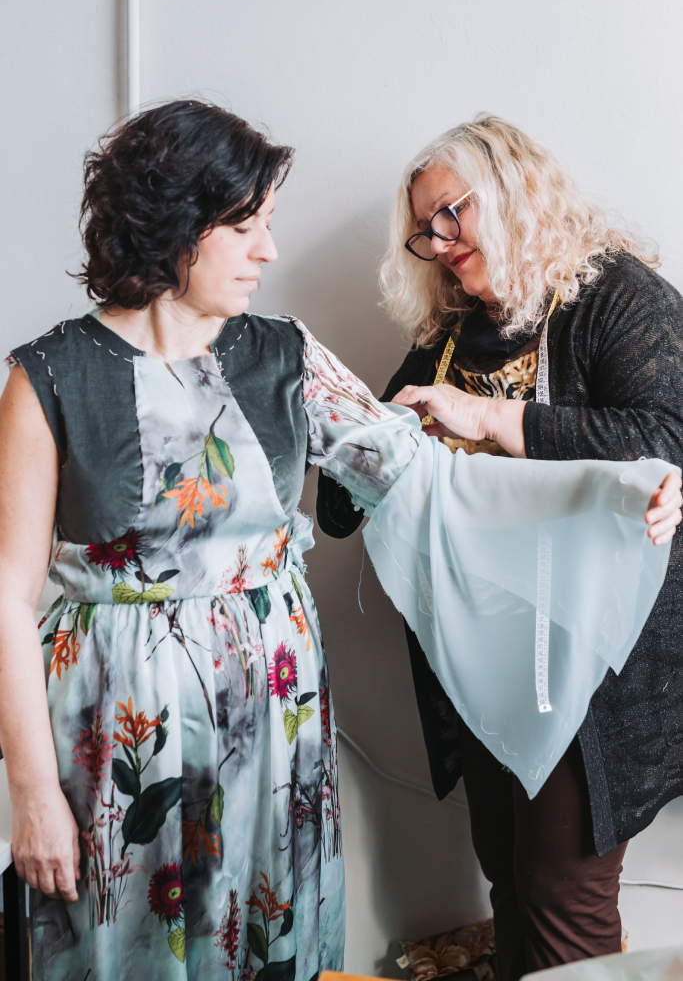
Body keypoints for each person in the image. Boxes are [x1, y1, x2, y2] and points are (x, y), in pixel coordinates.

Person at [0, 102, 678, 981]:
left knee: (268, 944)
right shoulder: (48, 376)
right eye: (246, 226)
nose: (268, 251)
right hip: (112, 730)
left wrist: (626, 486)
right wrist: (31, 791)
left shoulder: (287, 356)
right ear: (173, 225)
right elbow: (8, 594)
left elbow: (439, 479)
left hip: (272, 731)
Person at [317, 115, 683, 981]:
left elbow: (667, 437)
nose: (440, 241)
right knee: (510, 880)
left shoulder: (616, 296)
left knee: (562, 895)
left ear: (516, 189)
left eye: (453, 211)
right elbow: (340, 502)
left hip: (590, 669)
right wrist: (359, 438)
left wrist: (488, 417)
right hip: (481, 662)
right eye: (424, 228)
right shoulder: (449, 334)